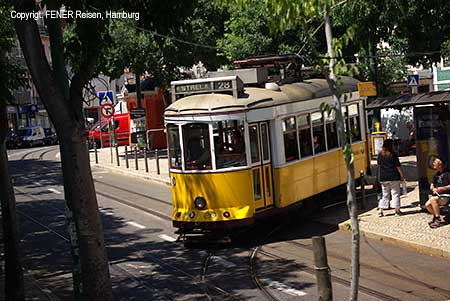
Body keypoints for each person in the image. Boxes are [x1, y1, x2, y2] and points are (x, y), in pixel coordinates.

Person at [377, 139, 406, 217]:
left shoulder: (380, 155)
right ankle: (397, 210)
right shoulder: (393, 155)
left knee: (385, 194)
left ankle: (381, 210)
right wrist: (402, 176)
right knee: (395, 193)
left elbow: (379, 165)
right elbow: (398, 167)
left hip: (383, 177)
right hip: (394, 176)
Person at [425, 158, 450, 228]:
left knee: (433, 200)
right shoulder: (436, 174)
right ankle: (436, 216)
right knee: (427, 205)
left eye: (435, 164)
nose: (433, 166)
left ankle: (438, 219)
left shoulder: (447, 173)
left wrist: (442, 188)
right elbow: (432, 184)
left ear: (440, 165)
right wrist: (432, 188)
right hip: (438, 195)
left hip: (446, 195)